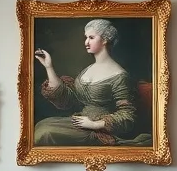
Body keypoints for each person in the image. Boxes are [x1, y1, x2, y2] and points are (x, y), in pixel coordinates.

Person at [33, 18, 151, 147]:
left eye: (91, 37)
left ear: (105, 40)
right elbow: (69, 98)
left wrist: (94, 124)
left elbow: (128, 116)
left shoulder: (119, 76)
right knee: (41, 125)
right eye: (86, 37)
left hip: (100, 131)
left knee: (46, 133)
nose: (86, 42)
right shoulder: (87, 70)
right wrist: (49, 67)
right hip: (81, 122)